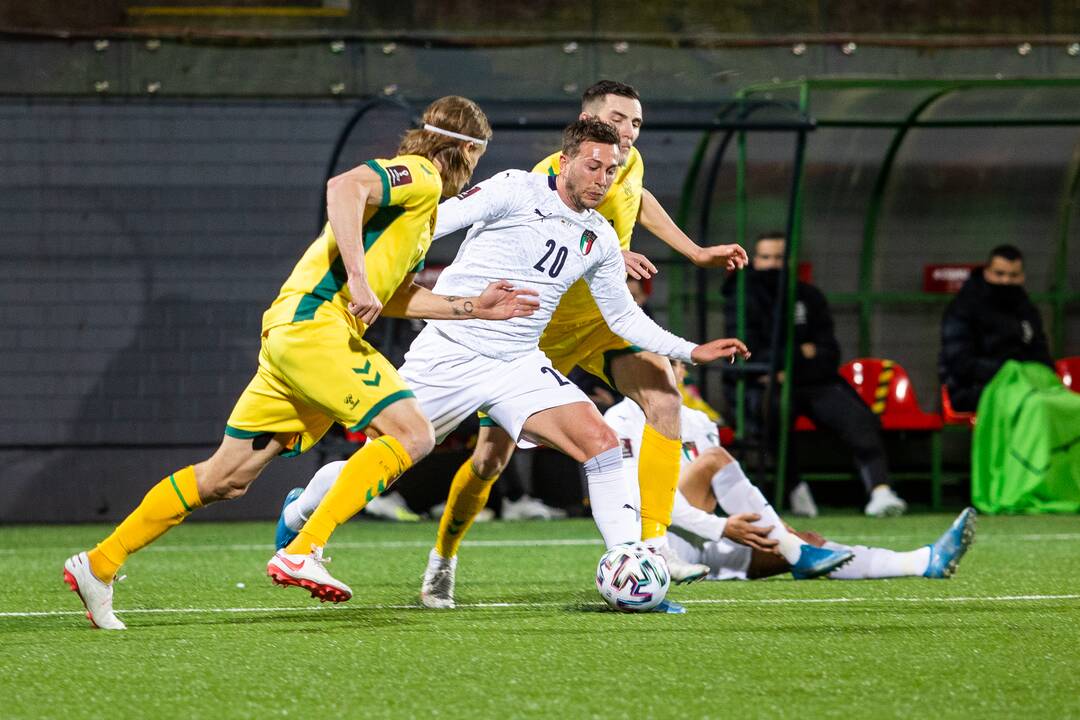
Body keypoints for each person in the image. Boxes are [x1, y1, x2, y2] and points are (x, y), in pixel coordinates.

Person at [272, 119, 854, 611]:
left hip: (518, 363)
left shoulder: (600, 237)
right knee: (393, 456)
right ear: (566, 161)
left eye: (613, 169)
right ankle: (304, 511)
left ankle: (632, 569)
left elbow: (624, 320)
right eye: (594, 166)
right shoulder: (512, 189)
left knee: (601, 443)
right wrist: (370, 274)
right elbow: (430, 223)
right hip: (451, 352)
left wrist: (690, 349)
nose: (603, 179)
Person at [61, 96, 543, 630]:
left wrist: (473, 308)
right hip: (317, 327)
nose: (476, 167)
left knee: (226, 478)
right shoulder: (424, 175)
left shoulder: (422, 214)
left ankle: (99, 564)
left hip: (295, 337)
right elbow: (344, 186)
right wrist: (357, 278)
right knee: (413, 434)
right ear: (466, 149)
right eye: (479, 155)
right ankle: (302, 548)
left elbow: (397, 295)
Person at [422, 79, 752, 595]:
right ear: (589, 120)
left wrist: (694, 252)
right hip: (535, 332)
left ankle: (652, 546)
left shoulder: (625, 163)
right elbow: (553, 237)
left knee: (665, 397)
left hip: (601, 319)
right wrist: (604, 251)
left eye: (638, 123)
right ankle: (444, 555)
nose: (629, 132)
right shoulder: (540, 179)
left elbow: (638, 200)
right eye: (619, 119)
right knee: (489, 459)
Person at [606, 362, 976, 582]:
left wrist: (731, 530)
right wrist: (722, 527)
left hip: (705, 544)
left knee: (810, 541)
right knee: (713, 460)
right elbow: (634, 502)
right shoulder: (619, 420)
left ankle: (922, 562)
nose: (671, 372)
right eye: (660, 364)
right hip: (660, 547)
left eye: (676, 363)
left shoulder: (699, 421)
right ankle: (793, 547)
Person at [724, 233, 908, 517]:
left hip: (813, 381)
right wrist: (800, 352)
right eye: (766, 258)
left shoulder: (808, 296)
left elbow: (828, 352)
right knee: (771, 417)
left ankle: (880, 491)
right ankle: (794, 488)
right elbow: (750, 352)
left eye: (780, 258)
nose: (773, 264)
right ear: (754, 260)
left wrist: (787, 364)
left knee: (857, 417)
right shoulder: (741, 296)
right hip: (766, 385)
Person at [939, 244, 1053, 412]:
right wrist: (1010, 373)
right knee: (1034, 407)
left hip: (1023, 388)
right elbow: (960, 363)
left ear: (1022, 277)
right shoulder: (964, 307)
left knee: (1065, 404)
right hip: (972, 390)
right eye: (999, 274)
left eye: (1013, 275)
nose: (1005, 281)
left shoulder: (1027, 310)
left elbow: (1041, 355)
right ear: (986, 273)